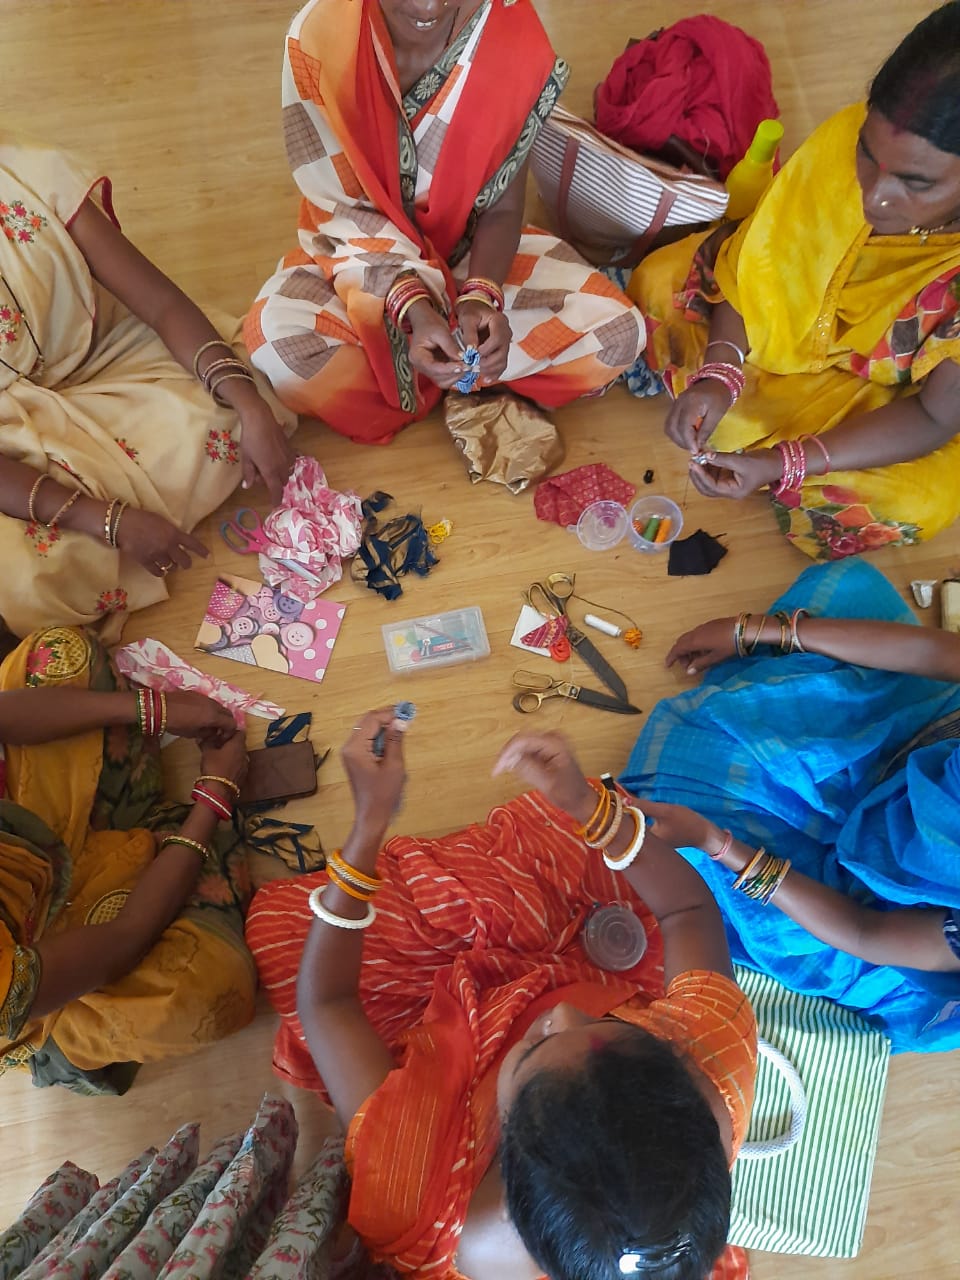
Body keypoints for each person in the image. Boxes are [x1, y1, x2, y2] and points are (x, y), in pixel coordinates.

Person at [246, 712, 757, 1280]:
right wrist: (592, 813)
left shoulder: (417, 1201)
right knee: (591, 816)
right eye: (610, 1027)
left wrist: (368, 825)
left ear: (501, 1148)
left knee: (280, 935)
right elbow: (686, 910)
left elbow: (327, 1003)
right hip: (581, 969)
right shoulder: (712, 1067)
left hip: (451, 1029)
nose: (563, 1012)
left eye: (537, 1047)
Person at [629, 2, 960, 561]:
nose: (874, 196)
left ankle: (773, 454)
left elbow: (933, 415)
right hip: (776, 347)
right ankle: (750, 425)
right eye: (868, 156)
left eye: (916, 183)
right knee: (658, 281)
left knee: (917, 502)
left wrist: (783, 461)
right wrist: (720, 374)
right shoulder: (840, 143)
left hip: (886, 402)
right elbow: (748, 268)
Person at [243, 0, 645, 445]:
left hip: (466, 252)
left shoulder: (511, 37)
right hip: (362, 265)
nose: (429, 6)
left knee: (618, 331)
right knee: (275, 342)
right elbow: (341, 214)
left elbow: (503, 208)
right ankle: (465, 372)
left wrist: (482, 298)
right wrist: (414, 308)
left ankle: (439, 366)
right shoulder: (319, 37)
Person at [620, 558, 960, 1053]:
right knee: (848, 586)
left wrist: (720, 846)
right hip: (912, 750)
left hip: (872, 906)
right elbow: (932, 652)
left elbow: (862, 930)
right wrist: (758, 632)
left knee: (686, 794)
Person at [0, 138, 296, 642]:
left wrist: (247, 405)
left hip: (107, 351)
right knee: (22, 576)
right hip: (14, 441)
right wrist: (109, 521)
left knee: (250, 389)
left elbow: (161, 306)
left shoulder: (32, 178)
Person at [0, 625, 255, 1094]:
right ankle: (169, 832)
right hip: (48, 958)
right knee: (203, 995)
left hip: (27, 838)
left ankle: (154, 830)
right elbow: (126, 936)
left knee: (61, 653)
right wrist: (215, 795)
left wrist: (153, 709)